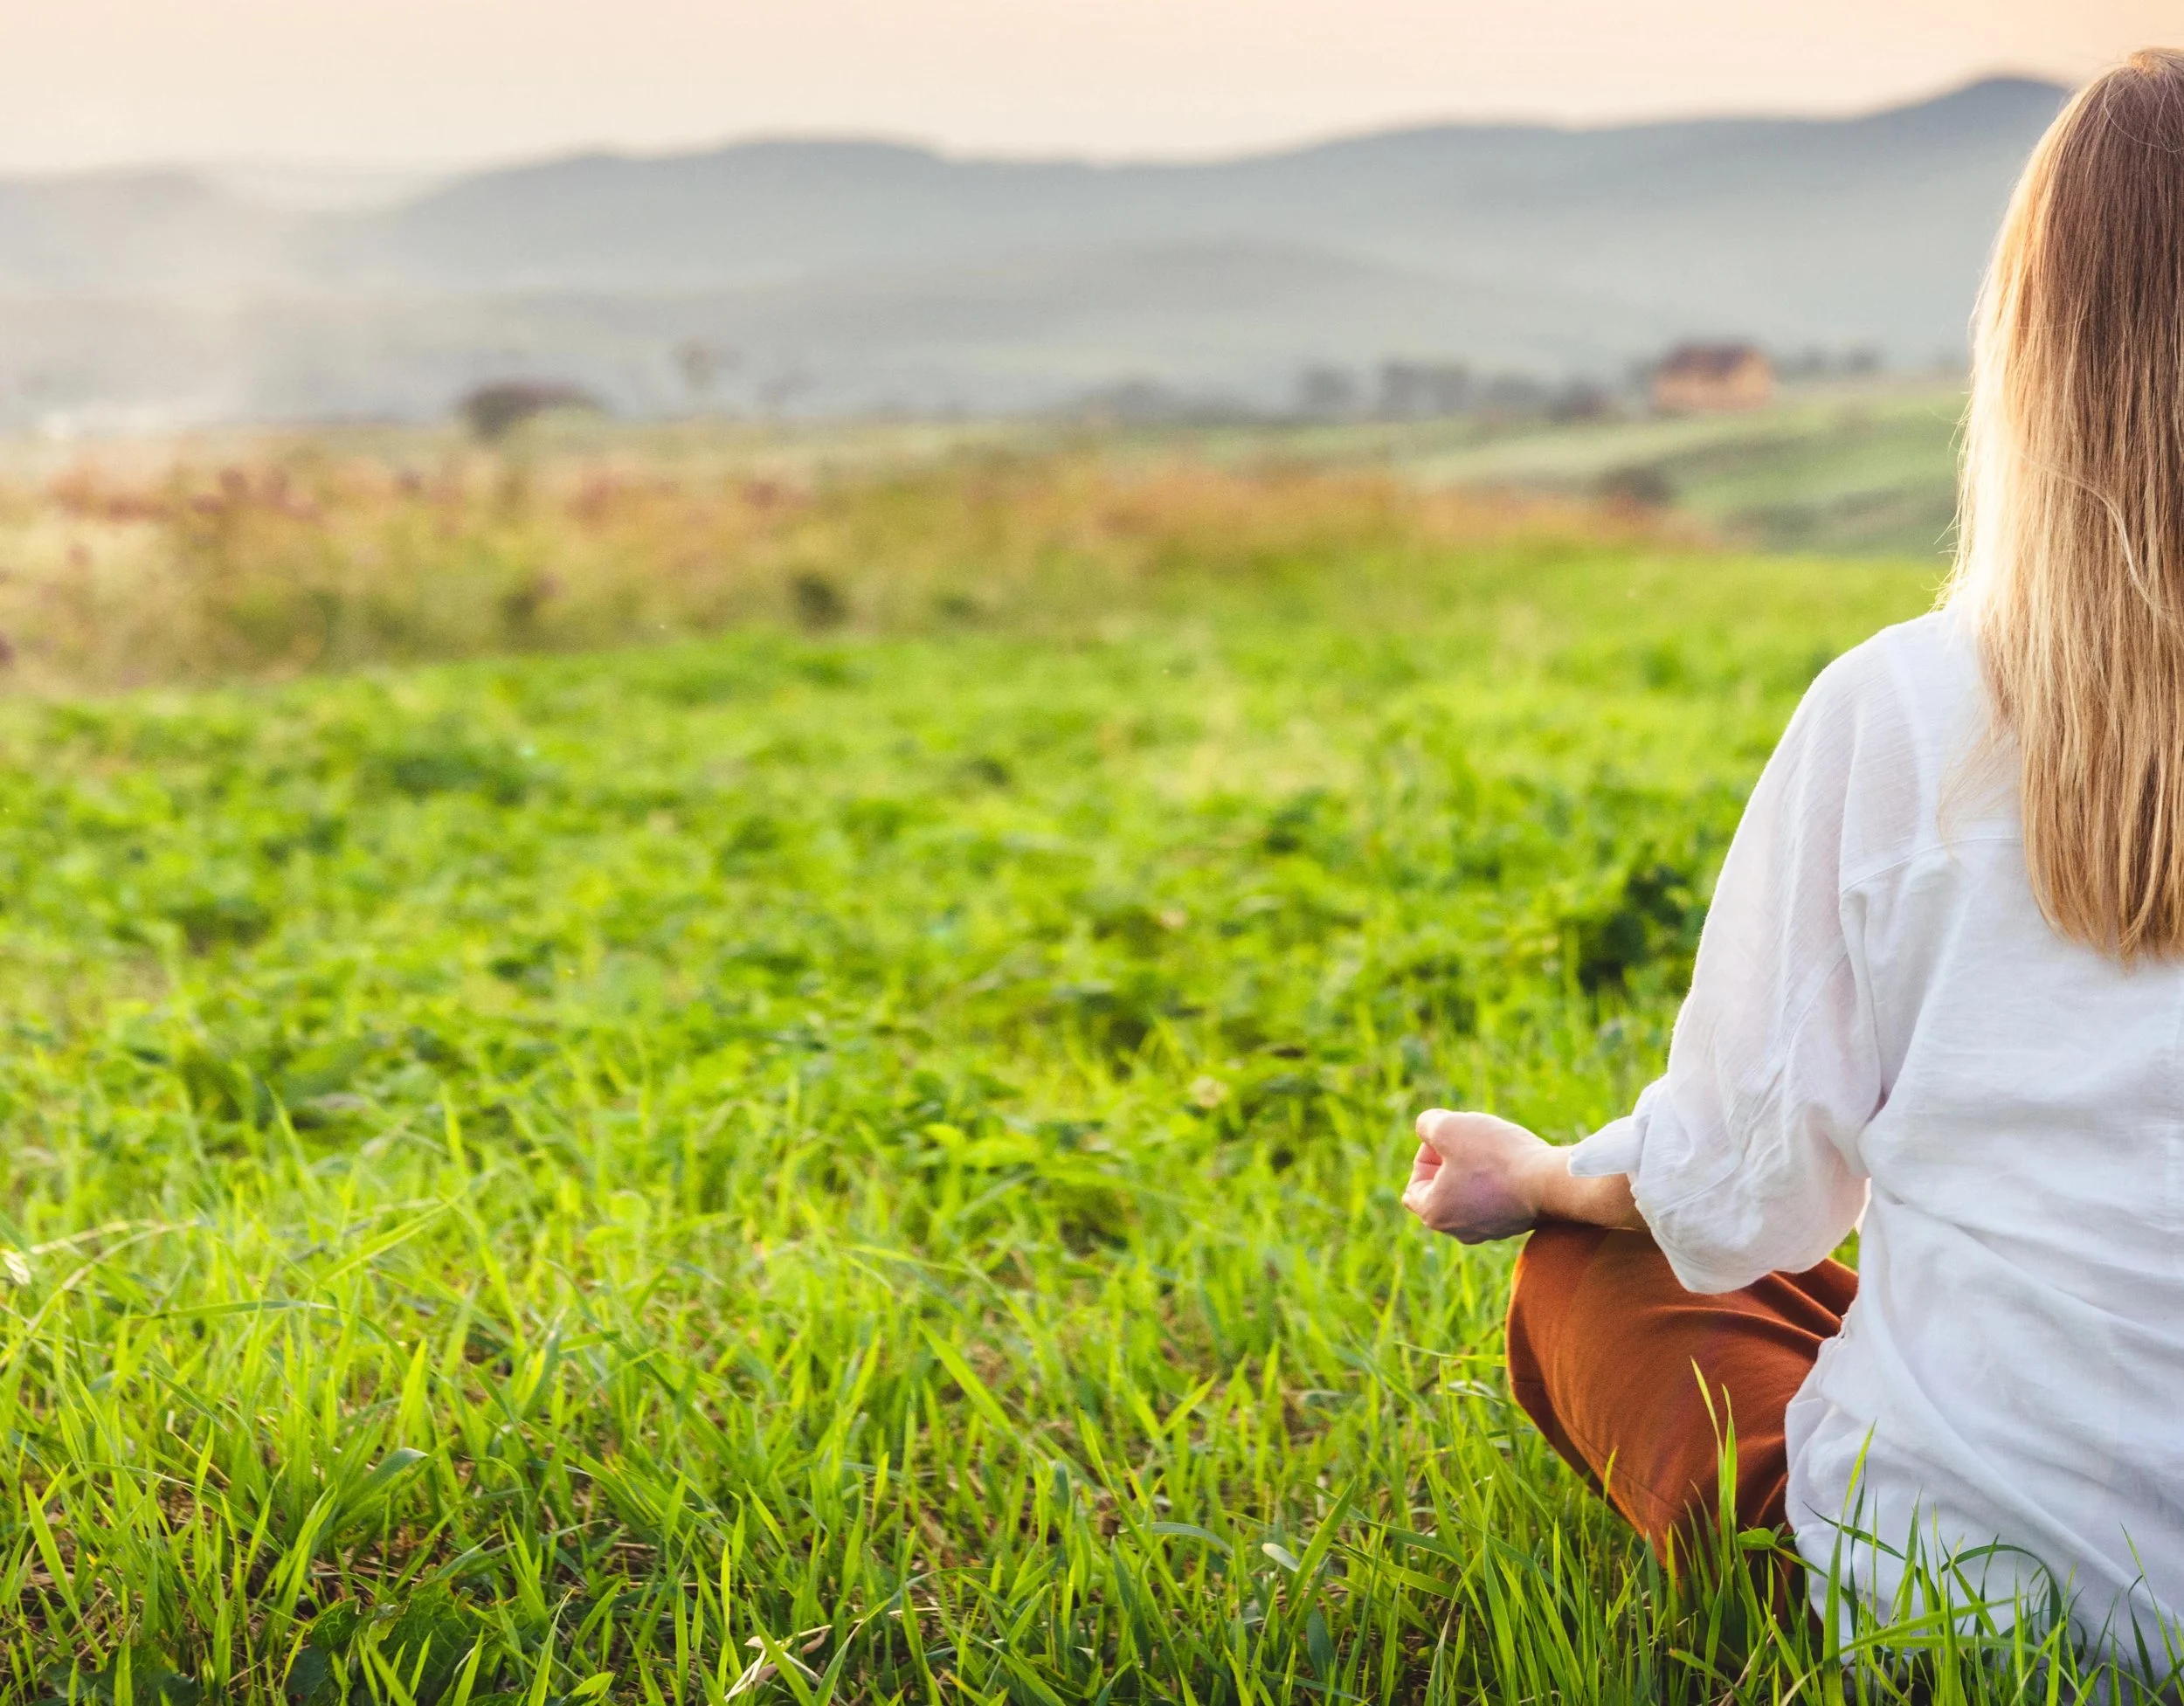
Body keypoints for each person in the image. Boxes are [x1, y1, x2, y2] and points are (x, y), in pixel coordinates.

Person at [1400, 47, 2184, 1651]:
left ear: (2030, 349)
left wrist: (1548, 1175)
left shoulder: (1907, 706)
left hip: (1981, 1611)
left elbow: (1744, 1187)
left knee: (1594, 1276)